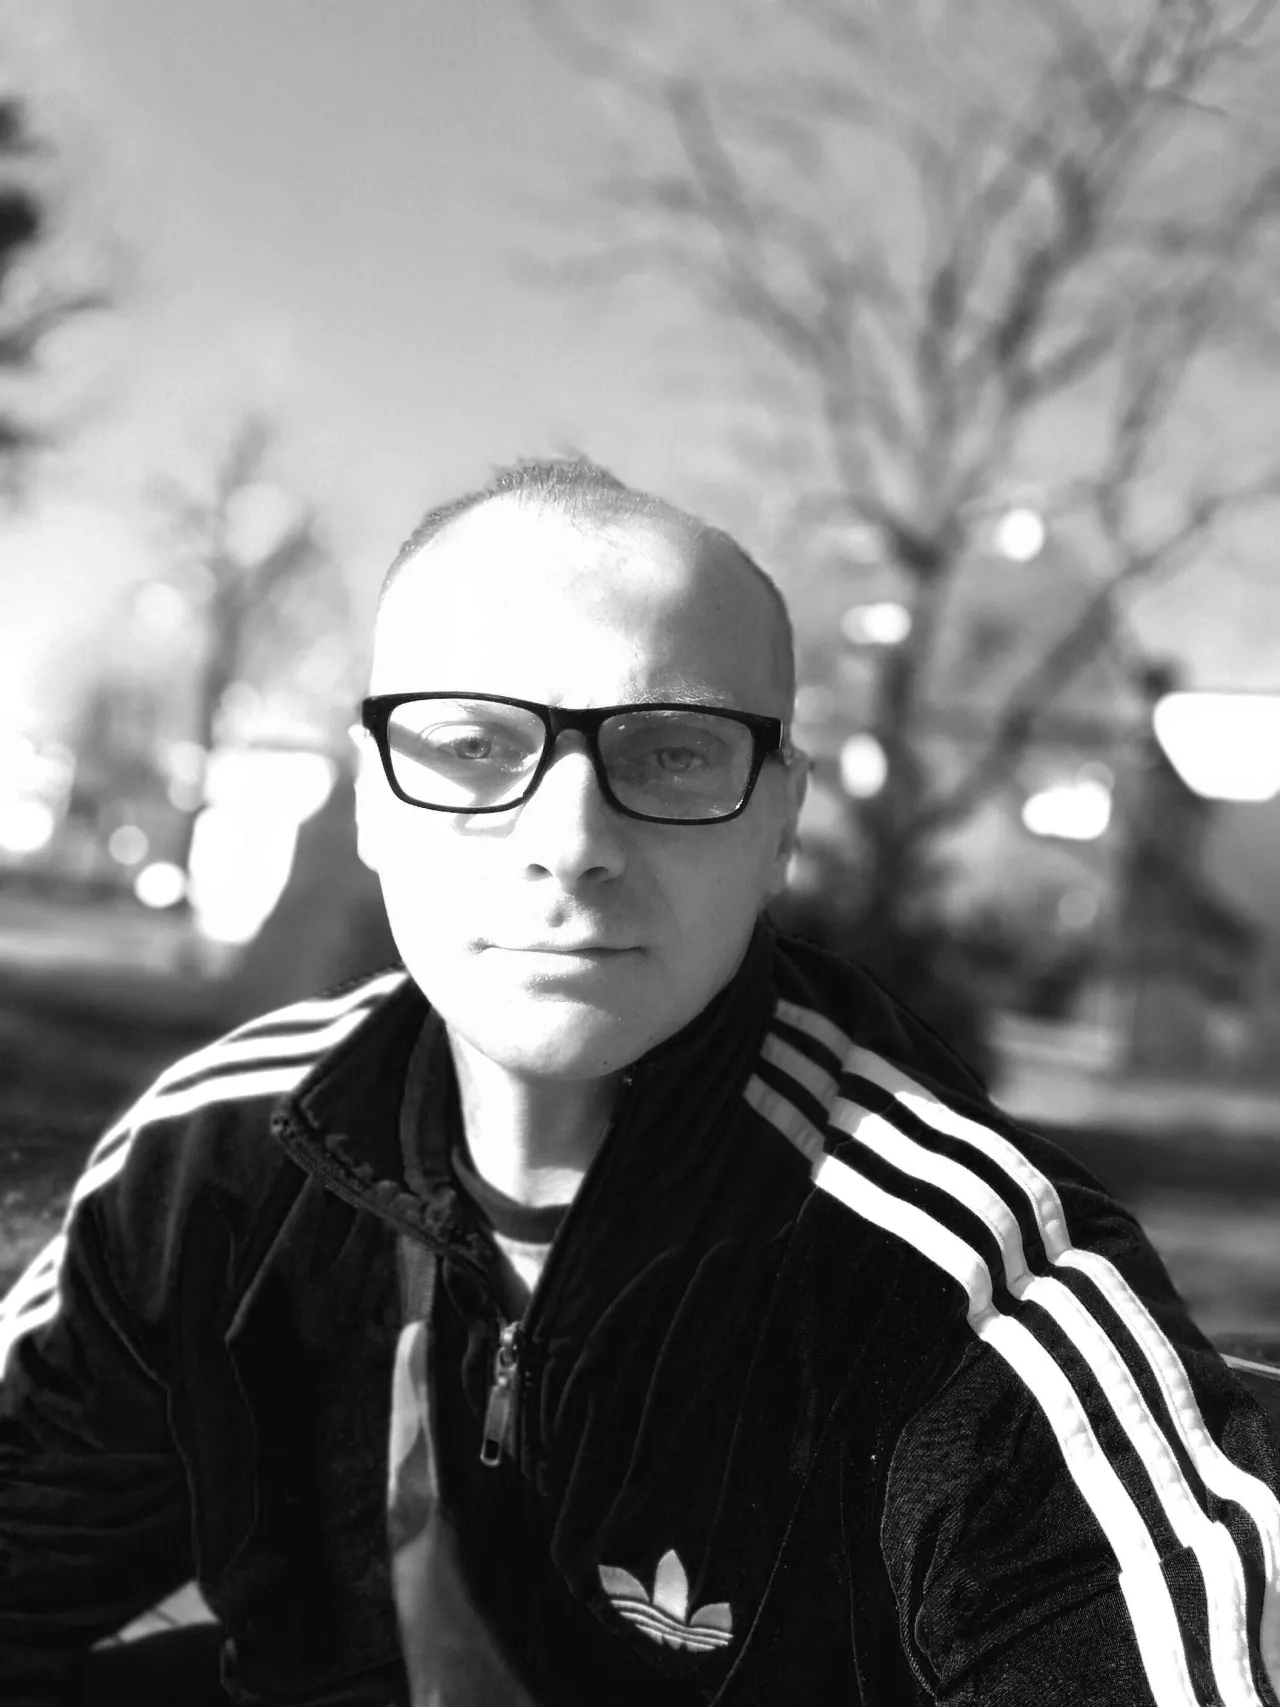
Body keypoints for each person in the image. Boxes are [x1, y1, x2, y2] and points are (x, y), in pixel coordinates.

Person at [1, 457, 1278, 1707]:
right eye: (470, 744)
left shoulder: (953, 1284)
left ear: (780, 821)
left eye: (672, 754)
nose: (569, 843)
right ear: (371, 803)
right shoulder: (210, 1160)